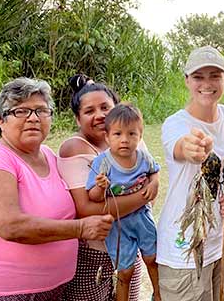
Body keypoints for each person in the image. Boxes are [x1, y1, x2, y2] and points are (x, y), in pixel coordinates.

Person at [0, 77, 113, 300]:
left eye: (41, 110)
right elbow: (11, 226)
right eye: (21, 111)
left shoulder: (50, 157)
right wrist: (80, 228)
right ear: (1, 121)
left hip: (56, 289)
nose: (33, 118)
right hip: (5, 293)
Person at [158, 45, 224, 301]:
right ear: (187, 81)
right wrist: (194, 148)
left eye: (215, 75)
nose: (207, 83)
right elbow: (182, 147)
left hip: (223, 241)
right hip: (184, 246)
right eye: (198, 76)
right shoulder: (176, 123)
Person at [58, 74, 149, 301]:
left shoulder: (133, 139)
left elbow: (150, 179)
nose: (99, 115)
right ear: (78, 119)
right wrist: (143, 197)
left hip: (131, 245)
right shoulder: (74, 148)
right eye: (89, 111)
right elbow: (87, 209)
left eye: (105, 107)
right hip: (93, 255)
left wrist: (146, 191)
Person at [87, 103, 161, 301]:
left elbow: (155, 172)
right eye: (118, 134)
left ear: (140, 136)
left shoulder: (144, 157)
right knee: (125, 271)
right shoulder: (103, 163)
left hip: (143, 217)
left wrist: (154, 184)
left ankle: (160, 295)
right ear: (107, 137)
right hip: (118, 225)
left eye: (132, 134)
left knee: (152, 259)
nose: (125, 140)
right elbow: (93, 196)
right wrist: (100, 186)